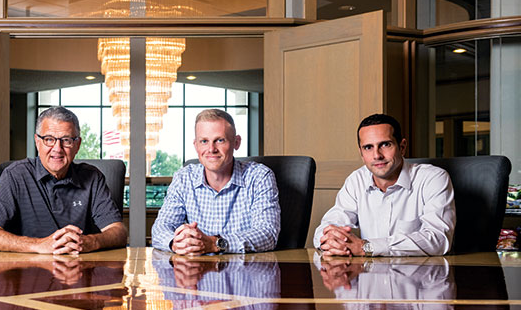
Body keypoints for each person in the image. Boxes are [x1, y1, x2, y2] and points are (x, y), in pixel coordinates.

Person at [0, 106, 127, 254]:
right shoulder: (15, 175)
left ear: (77, 145)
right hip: (27, 271)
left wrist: (90, 242)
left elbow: (119, 232)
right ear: (37, 142)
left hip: (80, 269)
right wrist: (39, 245)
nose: (57, 148)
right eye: (49, 139)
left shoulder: (93, 177)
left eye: (66, 140)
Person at [313, 113, 455, 257]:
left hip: (420, 274)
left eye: (385, 145)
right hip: (368, 274)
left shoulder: (433, 178)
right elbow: (327, 227)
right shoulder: (356, 180)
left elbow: (439, 239)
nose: (377, 155)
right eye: (368, 147)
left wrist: (367, 247)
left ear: (402, 146)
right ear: (361, 153)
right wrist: (331, 241)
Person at [151, 109, 280, 254]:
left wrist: (215, 243)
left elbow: (267, 234)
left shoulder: (259, 177)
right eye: (204, 141)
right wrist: (176, 243)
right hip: (194, 271)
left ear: (236, 143)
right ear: (196, 145)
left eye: (220, 140)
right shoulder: (184, 178)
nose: (211, 149)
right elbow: (161, 228)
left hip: (245, 271)